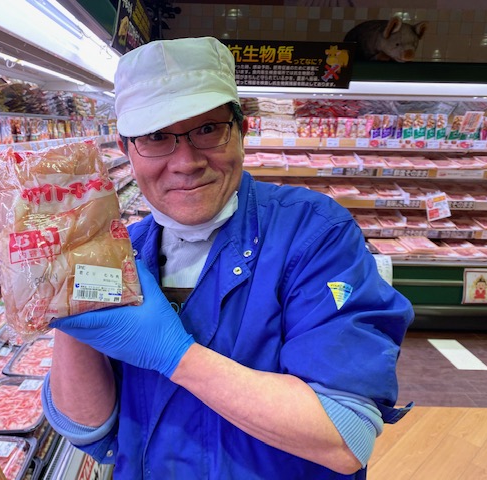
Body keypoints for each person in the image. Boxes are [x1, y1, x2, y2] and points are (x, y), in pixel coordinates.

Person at [42, 36, 414, 479]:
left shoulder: (313, 232)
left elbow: (345, 436)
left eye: (207, 129)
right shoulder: (123, 253)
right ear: (126, 151)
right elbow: (88, 430)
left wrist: (176, 356)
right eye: (156, 136)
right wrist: (66, 288)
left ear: (241, 131)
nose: (186, 162)